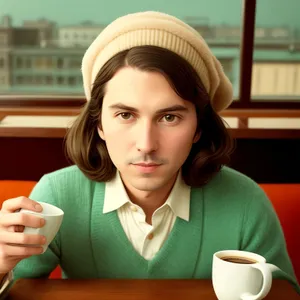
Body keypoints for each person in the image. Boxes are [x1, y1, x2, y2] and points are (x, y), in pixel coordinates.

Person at [0, 11, 299, 295]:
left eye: (169, 117)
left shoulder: (246, 203)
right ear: (99, 124)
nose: (146, 144)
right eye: (126, 115)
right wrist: (1, 265)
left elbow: (282, 293)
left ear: (198, 128)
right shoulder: (57, 194)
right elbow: (17, 289)